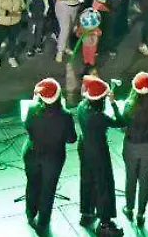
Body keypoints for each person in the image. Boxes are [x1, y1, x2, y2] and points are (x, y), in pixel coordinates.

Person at [23, 78, 76, 231]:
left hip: (32, 154)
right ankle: (43, 221)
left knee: (32, 183)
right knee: (48, 188)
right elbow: (71, 139)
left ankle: (30, 213)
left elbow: (27, 127)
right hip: (53, 159)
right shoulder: (65, 115)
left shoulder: (33, 109)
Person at [76, 75, 123, 236]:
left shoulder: (81, 107)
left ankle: (87, 213)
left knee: (87, 180)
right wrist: (113, 103)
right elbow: (120, 122)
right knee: (104, 185)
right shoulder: (99, 117)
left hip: (84, 147)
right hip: (99, 152)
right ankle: (105, 223)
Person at [120, 72, 148, 225]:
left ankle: (129, 208)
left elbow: (123, 127)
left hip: (131, 147)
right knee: (145, 180)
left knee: (131, 178)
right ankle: (141, 213)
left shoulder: (129, 105)